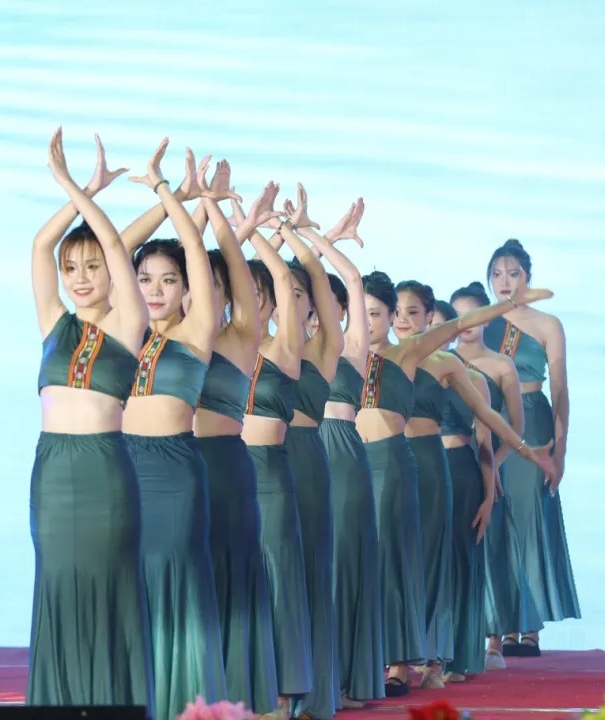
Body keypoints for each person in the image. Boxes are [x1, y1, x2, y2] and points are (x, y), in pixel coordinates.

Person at [356, 271, 554, 696]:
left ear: (428, 316)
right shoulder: (366, 358)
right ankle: (389, 656)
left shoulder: (442, 362)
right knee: (388, 562)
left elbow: (485, 416)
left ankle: (429, 658)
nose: (403, 319)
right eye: (397, 312)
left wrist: (523, 453)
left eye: (412, 312)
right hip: (381, 463)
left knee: (431, 562)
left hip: (431, 467)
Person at [27, 129, 153, 710]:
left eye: (93, 266)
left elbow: (119, 254)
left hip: (104, 471)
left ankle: (111, 705)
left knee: (106, 587)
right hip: (52, 472)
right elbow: (39, 246)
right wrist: (79, 191)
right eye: (72, 267)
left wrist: (79, 192)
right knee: (56, 583)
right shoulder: (55, 323)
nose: (80, 277)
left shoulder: (129, 323)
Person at [121, 138, 225, 720]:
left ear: (187, 288)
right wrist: (171, 199)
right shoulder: (122, 329)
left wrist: (173, 194)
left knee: (176, 583)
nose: (155, 291)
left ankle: (183, 706)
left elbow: (195, 254)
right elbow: (116, 248)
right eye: (144, 280)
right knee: (129, 584)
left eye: (167, 281)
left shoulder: (197, 330)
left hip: (175, 472)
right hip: (120, 468)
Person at [192, 167, 281, 714]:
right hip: (174, 467)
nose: (203, 293)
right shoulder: (165, 338)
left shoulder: (241, 335)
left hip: (225, 466)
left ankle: (241, 694)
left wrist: (217, 210)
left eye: (215, 285)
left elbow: (232, 270)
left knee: (231, 573)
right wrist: (197, 207)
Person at [234, 183, 314, 719]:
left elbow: (286, 280)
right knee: (240, 579)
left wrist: (269, 230)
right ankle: (244, 684)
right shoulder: (221, 346)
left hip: (271, 474)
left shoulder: (284, 347)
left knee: (279, 577)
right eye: (243, 294)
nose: (251, 302)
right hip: (229, 473)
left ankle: (283, 692)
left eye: (258, 294)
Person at [301, 200, 384, 706]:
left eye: (334, 305)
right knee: (311, 565)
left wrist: (323, 238)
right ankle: (311, 681)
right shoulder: (288, 345)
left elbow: (352, 279)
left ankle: (347, 679)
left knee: (345, 561)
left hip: (345, 454)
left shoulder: (353, 347)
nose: (324, 311)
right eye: (315, 303)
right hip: (303, 451)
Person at [482, 239, 581, 657]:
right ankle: (497, 627)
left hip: (534, 421)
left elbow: (560, 390)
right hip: (490, 421)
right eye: (497, 274)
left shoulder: (547, 325)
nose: (504, 281)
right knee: (493, 518)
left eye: (513, 273)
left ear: (528, 277)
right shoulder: (480, 321)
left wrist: (560, 451)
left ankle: (529, 627)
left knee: (527, 516)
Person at [274, 185, 344, 720]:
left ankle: (313, 693)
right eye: (282, 291)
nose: (289, 298)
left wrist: (296, 235)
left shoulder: (324, 347)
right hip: (263, 464)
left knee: (311, 571)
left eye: (298, 294)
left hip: (308, 460)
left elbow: (319, 278)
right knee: (274, 575)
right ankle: (273, 688)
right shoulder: (252, 343)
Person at [451, 282, 543, 669]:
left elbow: (515, 428)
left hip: (490, 464)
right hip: (453, 464)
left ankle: (495, 638)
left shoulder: (502, 365)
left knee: (493, 550)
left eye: (473, 314)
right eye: (458, 316)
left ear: (487, 319)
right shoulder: (444, 360)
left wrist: (495, 465)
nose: (466, 323)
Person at [426, 300, 494, 681]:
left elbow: (484, 440)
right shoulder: (412, 374)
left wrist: (489, 496)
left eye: (442, 327)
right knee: (431, 562)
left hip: (463, 473)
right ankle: (426, 654)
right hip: (425, 470)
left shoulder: (474, 379)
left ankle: (456, 655)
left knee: (461, 561)